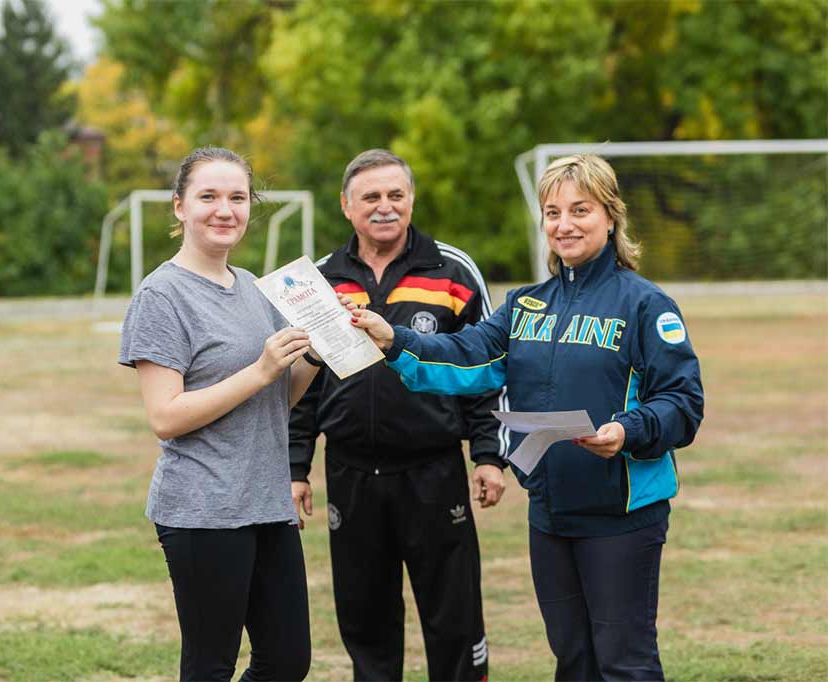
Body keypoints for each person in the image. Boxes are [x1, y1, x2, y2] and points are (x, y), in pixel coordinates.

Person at [348, 154, 704, 681]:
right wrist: (395, 338)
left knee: (624, 662)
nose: (564, 224)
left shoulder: (647, 305)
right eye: (553, 212)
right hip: (550, 513)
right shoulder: (525, 305)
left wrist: (627, 431)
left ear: (610, 215)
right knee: (573, 658)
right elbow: (464, 355)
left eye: (580, 209)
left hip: (621, 515)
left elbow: (683, 402)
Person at [288, 149, 508, 681]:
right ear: (346, 205)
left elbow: (483, 365)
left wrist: (488, 455)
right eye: (371, 197)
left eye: (396, 195)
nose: (384, 207)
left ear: (411, 200)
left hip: (433, 472)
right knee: (365, 620)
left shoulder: (453, 270)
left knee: (452, 615)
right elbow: (300, 381)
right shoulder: (318, 280)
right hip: (351, 473)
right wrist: (295, 467)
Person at [119, 147, 320, 681]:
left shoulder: (258, 288)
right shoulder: (161, 296)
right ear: (180, 206)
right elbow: (165, 416)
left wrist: (318, 357)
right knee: (211, 666)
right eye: (208, 196)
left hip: (266, 502)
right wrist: (260, 369)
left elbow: (278, 400)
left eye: (237, 197)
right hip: (203, 508)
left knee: (286, 661)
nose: (224, 209)